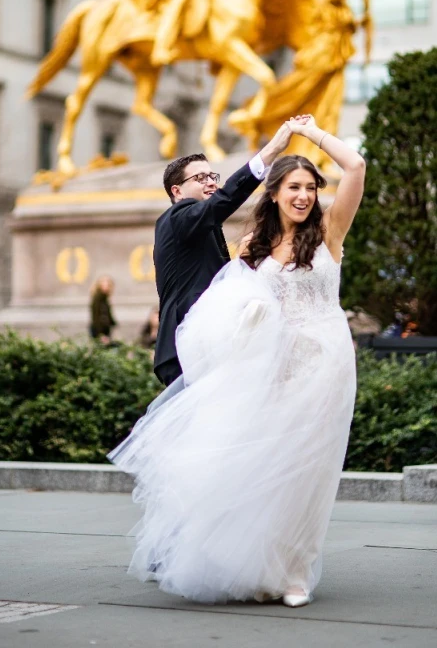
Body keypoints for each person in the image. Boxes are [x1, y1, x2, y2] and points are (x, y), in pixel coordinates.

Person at [109, 114, 365, 607]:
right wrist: (269, 151)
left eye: (310, 187)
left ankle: (292, 570)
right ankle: (206, 549)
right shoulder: (213, 231)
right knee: (243, 460)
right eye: (293, 186)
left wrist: (311, 135)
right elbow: (226, 299)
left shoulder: (329, 231)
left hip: (323, 365)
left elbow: (354, 165)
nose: (304, 195)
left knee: (306, 471)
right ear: (274, 194)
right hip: (254, 365)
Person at [152, 123, 293, 387]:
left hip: (207, 343)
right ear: (177, 191)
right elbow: (226, 199)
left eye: (211, 176)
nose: (210, 182)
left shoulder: (201, 224)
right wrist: (272, 150)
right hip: (186, 349)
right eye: (200, 178)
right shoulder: (179, 217)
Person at [89, 276, 117, 344]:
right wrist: (100, 335)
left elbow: (108, 314)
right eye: (104, 285)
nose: (106, 287)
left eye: (108, 285)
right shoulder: (97, 299)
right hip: (99, 331)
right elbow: (96, 318)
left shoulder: (104, 299)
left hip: (104, 330)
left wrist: (113, 322)